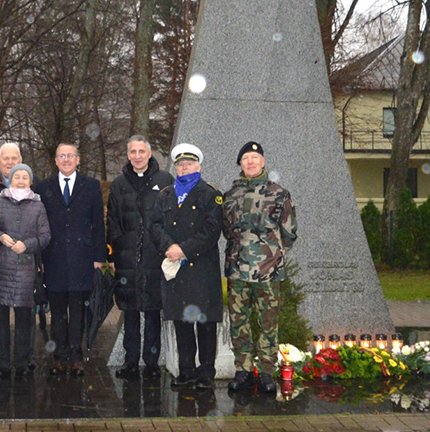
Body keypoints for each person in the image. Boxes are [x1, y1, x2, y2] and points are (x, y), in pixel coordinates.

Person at [223, 142, 298, 395]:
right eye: (245, 158)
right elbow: (227, 231)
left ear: (263, 161)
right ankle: (242, 370)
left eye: (255, 157)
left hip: (268, 271)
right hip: (237, 270)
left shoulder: (279, 194)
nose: (250, 162)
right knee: (239, 323)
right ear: (240, 164)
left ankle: (267, 372)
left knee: (268, 324)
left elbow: (289, 233)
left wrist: (271, 255)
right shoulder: (231, 194)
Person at [149, 144, 223, 391]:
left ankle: (206, 373)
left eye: (189, 164)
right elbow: (155, 225)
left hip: (200, 268)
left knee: (204, 323)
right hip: (176, 268)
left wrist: (184, 249)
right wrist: (169, 246)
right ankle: (186, 371)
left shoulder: (210, 194)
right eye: (180, 165)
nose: (184, 168)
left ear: (198, 166)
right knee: (182, 322)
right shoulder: (166, 195)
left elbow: (212, 231)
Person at [34, 143, 105, 377]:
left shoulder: (92, 186)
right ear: (55, 161)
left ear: (78, 159)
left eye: (70, 156)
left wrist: (98, 257)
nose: (66, 160)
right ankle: (59, 356)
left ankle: (76, 355)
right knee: (56, 310)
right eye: (61, 156)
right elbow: (39, 225)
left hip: (82, 258)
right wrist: (40, 258)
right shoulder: (43, 187)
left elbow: (98, 224)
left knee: (78, 310)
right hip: (53, 258)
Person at [107, 136, 173, 380]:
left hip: (155, 258)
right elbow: (112, 221)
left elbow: (170, 218)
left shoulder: (165, 180)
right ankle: (131, 361)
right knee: (131, 312)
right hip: (127, 258)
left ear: (149, 153)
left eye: (141, 151)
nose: (137, 156)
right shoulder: (119, 184)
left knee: (153, 311)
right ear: (128, 155)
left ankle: (152, 362)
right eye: (132, 151)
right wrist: (116, 248)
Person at [0, 164, 51, 378]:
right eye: (17, 177)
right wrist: (0, 236)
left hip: (26, 268)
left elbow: (45, 236)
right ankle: (2, 362)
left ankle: (23, 361)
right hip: (0, 266)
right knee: (0, 317)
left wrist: (28, 244)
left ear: (30, 181)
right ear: (10, 179)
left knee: (25, 317)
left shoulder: (38, 206)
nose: (21, 180)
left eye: (25, 176)